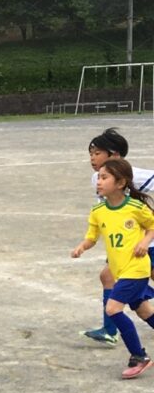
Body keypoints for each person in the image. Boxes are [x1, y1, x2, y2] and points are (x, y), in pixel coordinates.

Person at [72, 159, 154, 379]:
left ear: (120, 183)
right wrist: (82, 247)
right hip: (120, 271)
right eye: (98, 177)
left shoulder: (136, 207)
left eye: (104, 177)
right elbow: (92, 237)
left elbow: (152, 226)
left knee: (113, 309)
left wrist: (145, 242)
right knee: (144, 311)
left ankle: (139, 356)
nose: (98, 181)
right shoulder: (98, 211)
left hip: (136, 270)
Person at [80, 128, 154, 346]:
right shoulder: (97, 178)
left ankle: (113, 332)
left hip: (145, 243)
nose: (93, 158)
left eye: (97, 153)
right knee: (109, 278)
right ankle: (110, 330)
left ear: (114, 155)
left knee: (137, 297)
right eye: (91, 154)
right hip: (124, 244)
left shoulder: (133, 174)